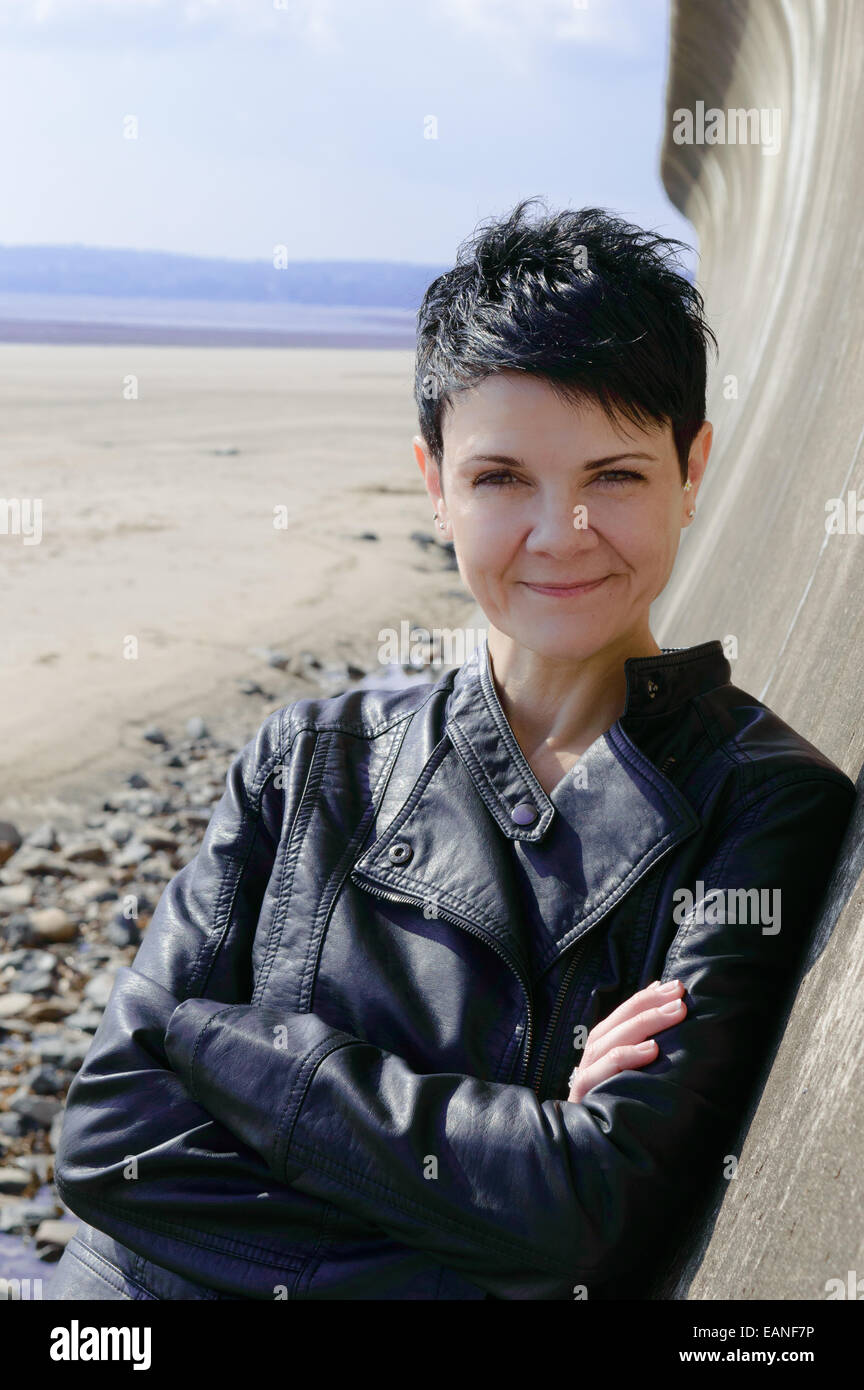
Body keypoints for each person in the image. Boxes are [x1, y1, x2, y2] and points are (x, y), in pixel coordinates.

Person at [49, 198, 856, 1300]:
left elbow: (591, 1216)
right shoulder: (306, 761)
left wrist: (248, 1057)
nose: (561, 535)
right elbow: (108, 1142)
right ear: (434, 484)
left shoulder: (760, 801)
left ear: (693, 466)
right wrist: (502, 1185)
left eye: (614, 476)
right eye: (501, 479)